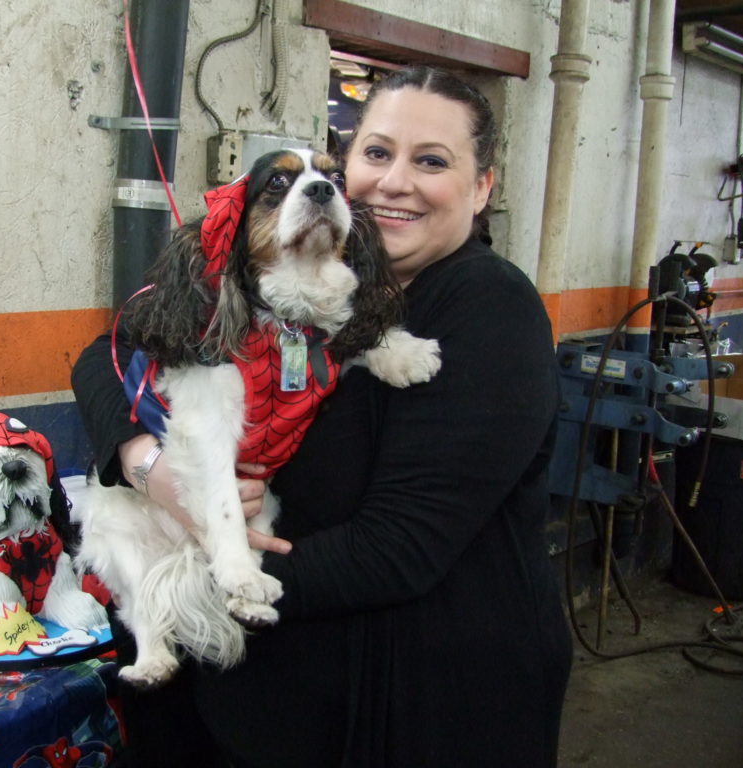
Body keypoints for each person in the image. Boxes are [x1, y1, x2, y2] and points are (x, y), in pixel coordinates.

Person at [72, 65, 572, 768]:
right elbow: (110, 354)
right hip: (282, 691)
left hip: (429, 701)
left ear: (483, 186)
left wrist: (213, 574)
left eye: (431, 161)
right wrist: (145, 464)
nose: (395, 181)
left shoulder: (489, 308)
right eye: (375, 154)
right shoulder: (305, 285)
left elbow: (397, 552)